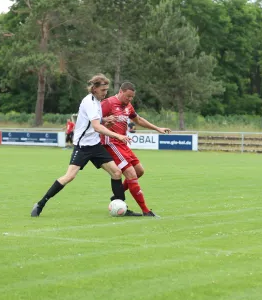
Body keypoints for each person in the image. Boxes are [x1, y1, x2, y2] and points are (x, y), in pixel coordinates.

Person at [30, 74, 137, 217]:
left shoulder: (98, 101)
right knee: (69, 176)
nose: (105, 93)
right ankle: (40, 204)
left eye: (106, 90)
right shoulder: (90, 102)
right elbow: (96, 127)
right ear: (94, 89)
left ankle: (121, 206)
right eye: (103, 90)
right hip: (83, 147)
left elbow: (95, 123)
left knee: (116, 172)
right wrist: (118, 135)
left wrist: (105, 120)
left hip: (95, 145)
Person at [101, 81, 171, 217]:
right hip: (111, 143)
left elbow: (138, 119)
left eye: (132, 97)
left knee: (139, 171)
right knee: (131, 174)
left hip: (123, 143)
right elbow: (95, 120)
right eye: (128, 96)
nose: (129, 99)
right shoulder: (108, 103)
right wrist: (104, 120)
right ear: (121, 92)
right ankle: (146, 210)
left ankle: (117, 195)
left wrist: (157, 128)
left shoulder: (128, 106)